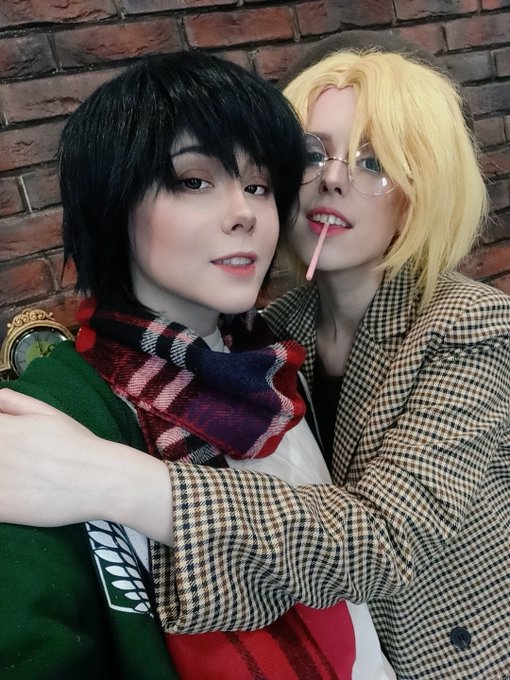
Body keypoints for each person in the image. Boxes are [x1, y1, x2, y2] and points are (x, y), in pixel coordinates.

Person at [1, 44, 509, 679]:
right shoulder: (272, 334)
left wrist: (122, 480)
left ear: (423, 190)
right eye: (314, 155)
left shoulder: (466, 324)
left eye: (375, 162)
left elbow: (384, 539)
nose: (332, 179)